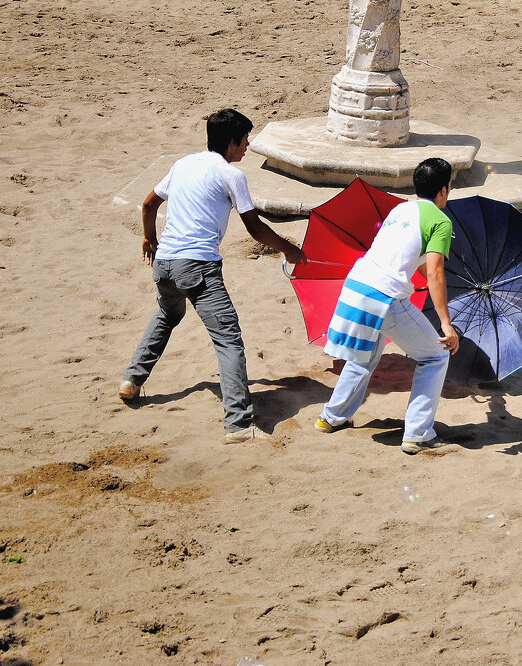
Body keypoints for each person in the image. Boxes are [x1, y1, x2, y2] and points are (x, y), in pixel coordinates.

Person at [118, 109, 305, 444]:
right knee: (229, 340)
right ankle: (237, 424)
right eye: (245, 139)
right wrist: (288, 248)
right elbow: (255, 228)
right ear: (232, 142)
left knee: (168, 313)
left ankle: (132, 379)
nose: (247, 146)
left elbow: (148, 205)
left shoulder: (183, 164)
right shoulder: (230, 175)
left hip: (165, 265)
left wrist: (150, 239)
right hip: (198, 266)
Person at [314, 158, 460, 455]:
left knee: (364, 355)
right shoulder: (441, 221)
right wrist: (446, 322)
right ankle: (417, 433)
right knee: (435, 356)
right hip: (385, 296)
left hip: (357, 285)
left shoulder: (400, 209)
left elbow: (411, 261)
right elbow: (434, 272)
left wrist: (432, 281)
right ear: (444, 190)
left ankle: (331, 417)